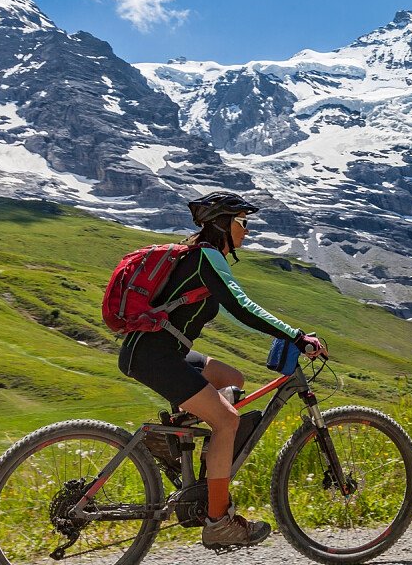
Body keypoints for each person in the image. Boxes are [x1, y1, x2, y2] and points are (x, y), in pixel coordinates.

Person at [117, 191, 326, 548]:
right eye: (242, 222)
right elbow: (242, 307)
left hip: (159, 352)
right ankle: (219, 522)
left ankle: (175, 444)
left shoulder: (198, 256)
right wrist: (295, 336)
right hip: (155, 357)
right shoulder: (206, 258)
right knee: (227, 421)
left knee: (231, 379)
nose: (247, 230)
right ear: (223, 225)